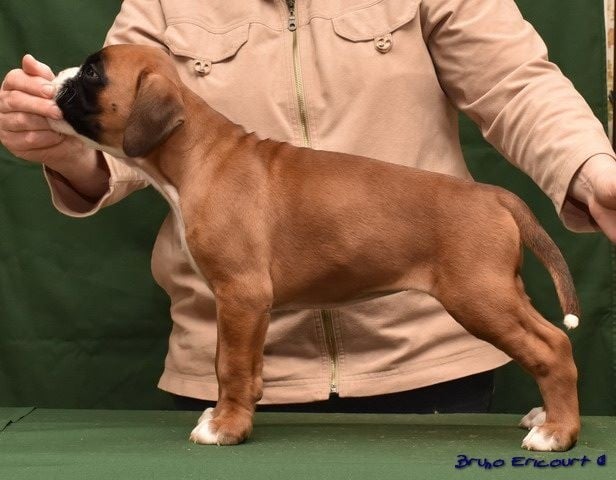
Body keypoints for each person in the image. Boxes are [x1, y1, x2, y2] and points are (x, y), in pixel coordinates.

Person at [1, 0, 615, 414]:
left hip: (422, 361)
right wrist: (69, 147)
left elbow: (515, 83)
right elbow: (125, 131)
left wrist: (594, 169)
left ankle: (557, 394)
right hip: (218, 374)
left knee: (504, 314)